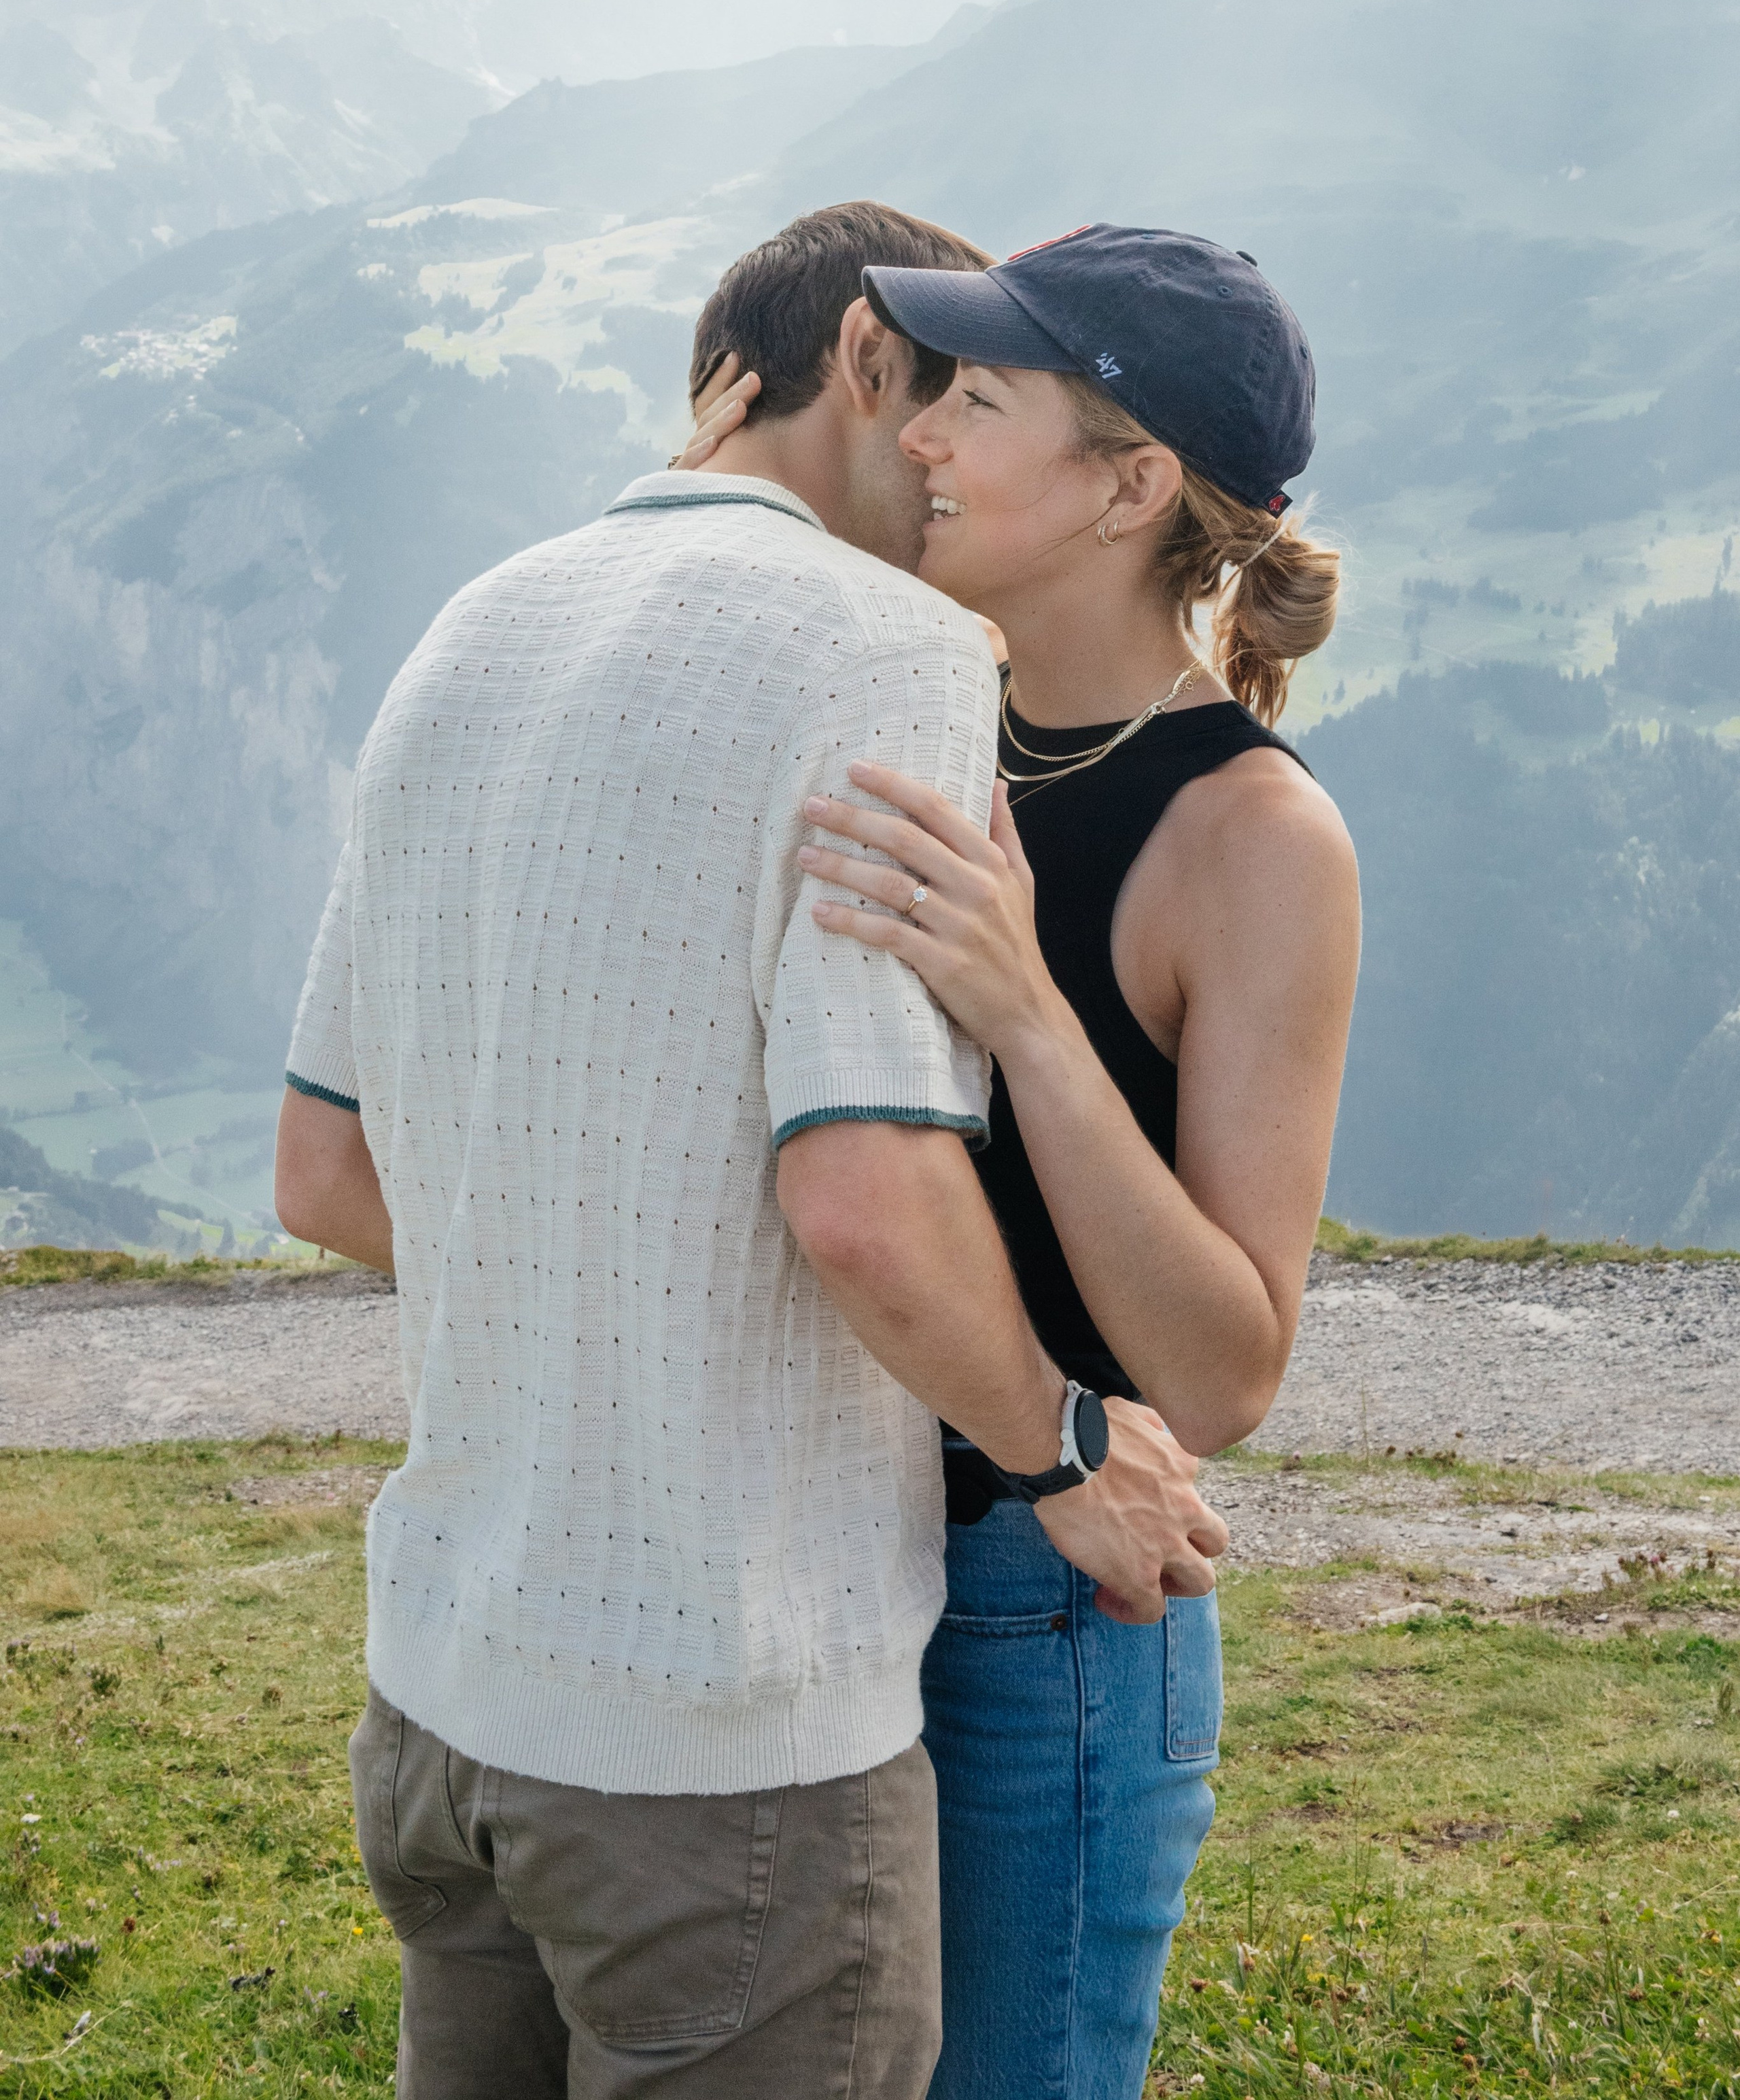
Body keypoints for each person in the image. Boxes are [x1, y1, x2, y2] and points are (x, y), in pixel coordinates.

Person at [274, 201, 1227, 2100]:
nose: (948, 467)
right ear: (865, 365)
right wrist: (1067, 1442)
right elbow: (865, 1199)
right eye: (941, 397)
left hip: (446, 1704)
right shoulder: (886, 648)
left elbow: (325, 1174)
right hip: (719, 1748)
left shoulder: (469, 627)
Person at [689, 222, 1361, 2100]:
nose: (919, 434)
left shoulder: (1255, 837)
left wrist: (1032, 1009)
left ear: (1129, 484)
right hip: (815, 1556)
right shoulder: (915, 716)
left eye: (978, 401)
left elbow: (1225, 1367)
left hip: (1046, 1613)